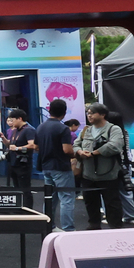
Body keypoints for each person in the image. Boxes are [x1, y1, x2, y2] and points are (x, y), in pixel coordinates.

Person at [74, 103, 126, 230]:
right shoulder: (86, 130)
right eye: (88, 113)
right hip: (88, 175)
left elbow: (115, 145)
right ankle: (94, 225)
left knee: (112, 203)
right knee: (90, 202)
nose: (89, 115)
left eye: (92, 113)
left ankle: (116, 228)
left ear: (102, 115)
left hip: (108, 175)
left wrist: (94, 153)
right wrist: (80, 152)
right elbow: (76, 144)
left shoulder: (113, 129)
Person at [34, 99, 76, 232]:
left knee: (49, 198)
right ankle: (68, 229)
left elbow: (36, 147)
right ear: (64, 112)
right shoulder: (63, 128)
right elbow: (67, 149)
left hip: (46, 166)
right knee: (66, 197)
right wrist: (76, 154)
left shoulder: (41, 126)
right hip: (61, 166)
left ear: (49, 109)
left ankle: (49, 225)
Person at [4, 109, 36, 190]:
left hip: (23, 164)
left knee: (24, 188)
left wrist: (18, 148)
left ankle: (27, 203)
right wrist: (3, 139)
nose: (11, 122)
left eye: (13, 120)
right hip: (13, 162)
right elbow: (11, 144)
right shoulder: (15, 131)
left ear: (19, 119)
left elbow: (32, 145)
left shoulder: (29, 130)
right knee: (16, 188)